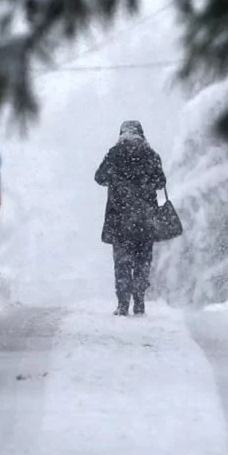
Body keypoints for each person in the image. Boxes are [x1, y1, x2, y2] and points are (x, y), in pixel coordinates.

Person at [95, 120, 167, 316]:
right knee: (143, 261)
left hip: (120, 218)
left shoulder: (114, 153)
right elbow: (161, 182)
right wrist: (144, 184)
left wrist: (118, 181)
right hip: (144, 219)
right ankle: (140, 300)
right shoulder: (151, 155)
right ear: (142, 134)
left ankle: (123, 303)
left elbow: (99, 177)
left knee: (122, 263)